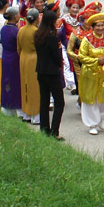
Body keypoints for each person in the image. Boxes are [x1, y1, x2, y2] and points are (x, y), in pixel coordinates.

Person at [78, 12, 104, 134]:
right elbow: (81, 56)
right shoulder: (86, 40)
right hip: (90, 74)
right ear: (93, 27)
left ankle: (100, 118)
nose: (100, 28)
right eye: (97, 26)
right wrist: (96, 60)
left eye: (102, 25)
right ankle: (92, 124)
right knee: (90, 99)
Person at [33, 9, 65, 139]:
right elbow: (56, 55)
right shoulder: (52, 36)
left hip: (41, 70)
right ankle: (54, 131)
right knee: (59, 103)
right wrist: (59, 64)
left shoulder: (38, 34)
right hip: (52, 72)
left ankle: (44, 128)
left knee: (44, 101)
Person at [17, 8, 41, 123]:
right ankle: (35, 115)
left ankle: (26, 113)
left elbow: (18, 48)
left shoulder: (21, 30)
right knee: (35, 87)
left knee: (24, 85)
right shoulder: (36, 31)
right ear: (37, 18)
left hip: (23, 58)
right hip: (34, 59)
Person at [0, 7, 22, 116]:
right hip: (14, 57)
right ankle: (13, 105)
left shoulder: (4, 28)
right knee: (14, 81)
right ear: (14, 16)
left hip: (5, 56)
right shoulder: (15, 31)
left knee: (6, 80)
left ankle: (6, 104)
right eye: (18, 14)